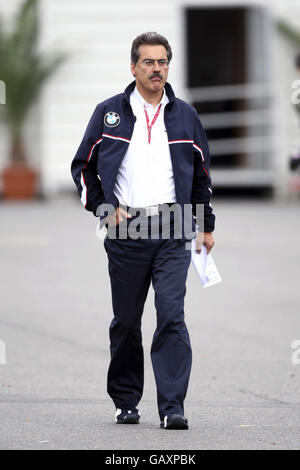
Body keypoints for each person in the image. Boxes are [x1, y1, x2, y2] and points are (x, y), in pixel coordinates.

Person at [71, 32, 215, 430]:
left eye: (163, 62)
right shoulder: (109, 113)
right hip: (127, 230)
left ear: (169, 66)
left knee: (171, 315)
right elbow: (83, 166)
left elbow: (201, 175)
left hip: (173, 227)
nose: (157, 69)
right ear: (133, 66)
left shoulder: (185, 115)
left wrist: (205, 226)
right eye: (149, 62)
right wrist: (103, 207)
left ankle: (172, 407)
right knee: (127, 322)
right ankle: (125, 401)